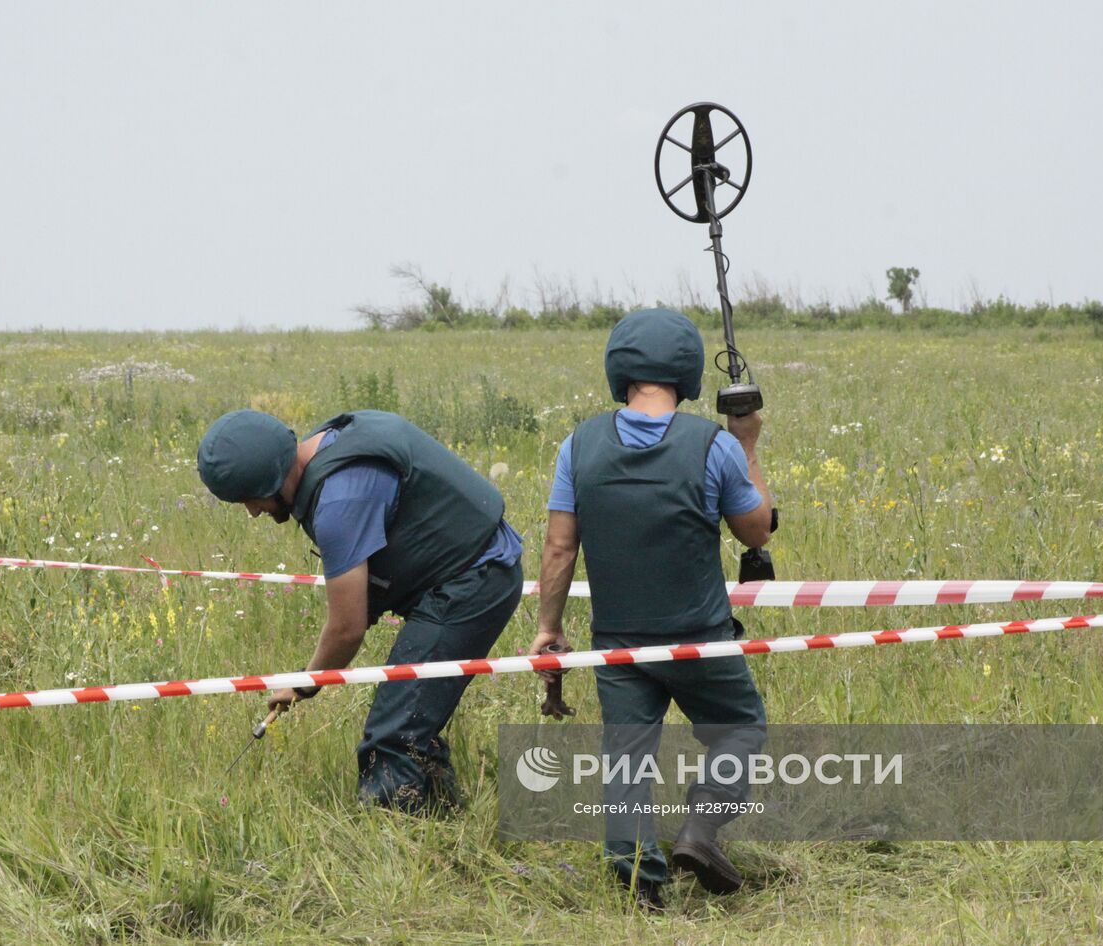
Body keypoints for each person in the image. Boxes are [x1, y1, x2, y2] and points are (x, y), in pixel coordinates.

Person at [526, 308, 772, 909]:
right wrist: (748, 447)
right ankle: (700, 830)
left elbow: (560, 547)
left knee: (626, 758)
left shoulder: (577, 446)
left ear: (620, 371)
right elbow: (756, 533)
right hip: (701, 639)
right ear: (688, 373)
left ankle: (641, 887)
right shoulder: (714, 445)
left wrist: (549, 628)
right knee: (741, 729)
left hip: (618, 642)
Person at [198, 408, 524, 814]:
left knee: (393, 734)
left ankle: (398, 838)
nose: (252, 511)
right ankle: (443, 816)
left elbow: (347, 628)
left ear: (276, 477)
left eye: (251, 498)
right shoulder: (332, 442)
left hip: (473, 580)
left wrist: (304, 683)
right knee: (409, 711)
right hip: (463, 568)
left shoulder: (341, 500)